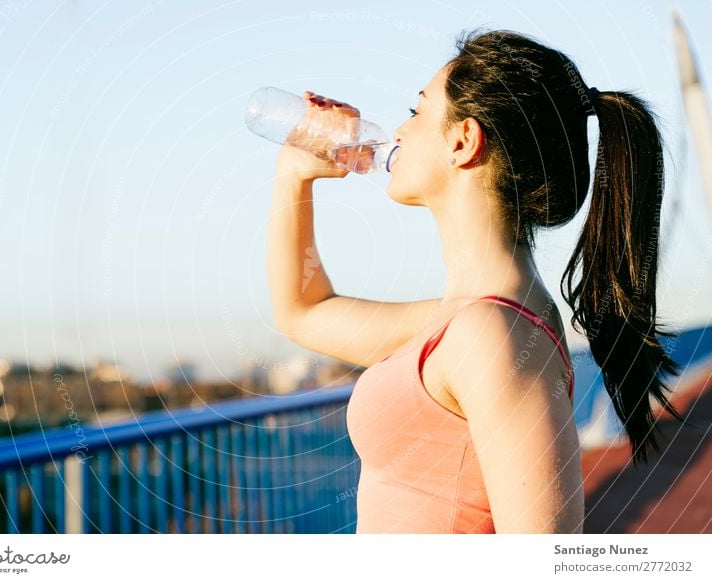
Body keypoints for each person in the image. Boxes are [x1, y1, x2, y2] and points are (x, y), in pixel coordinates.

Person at [266, 29, 684, 534]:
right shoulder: (466, 321)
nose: (397, 130)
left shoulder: (492, 334)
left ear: (463, 141)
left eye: (417, 112)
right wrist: (294, 172)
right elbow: (304, 312)